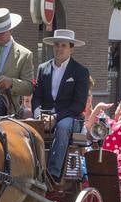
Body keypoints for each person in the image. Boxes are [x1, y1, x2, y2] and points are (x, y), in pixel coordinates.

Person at [34, 29, 92, 179]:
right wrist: (38, 115)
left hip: (70, 117)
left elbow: (79, 105)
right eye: (56, 45)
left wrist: (55, 117)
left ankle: (53, 174)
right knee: (25, 124)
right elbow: (37, 97)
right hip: (44, 115)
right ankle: (30, 170)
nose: (59, 48)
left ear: (71, 49)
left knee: (62, 127)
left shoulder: (80, 71)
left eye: (63, 45)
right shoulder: (43, 68)